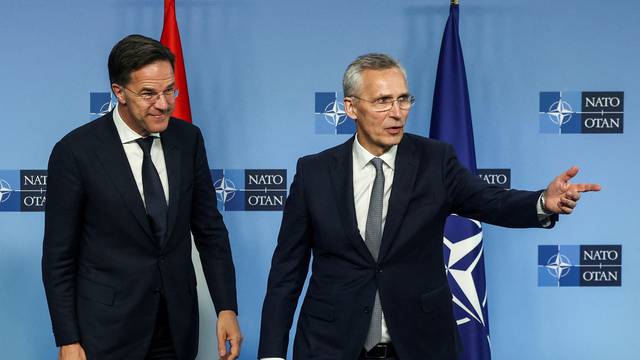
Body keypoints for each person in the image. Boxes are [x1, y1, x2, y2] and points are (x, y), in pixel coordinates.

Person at [258, 53, 600, 360]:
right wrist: (271, 354)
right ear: (351, 108)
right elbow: (287, 271)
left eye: (403, 99)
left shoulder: (435, 160)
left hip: (420, 344)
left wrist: (543, 202)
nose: (397, 113)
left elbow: (490, 201)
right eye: (382, 101)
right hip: (331, 346)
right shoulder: (313, 172)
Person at [42, 34, 242, 360]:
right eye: (149, 94)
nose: (163, 104)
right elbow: (58, 258)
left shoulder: (188, 140)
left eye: (169, 90)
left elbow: (210, 230)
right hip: (105, 333)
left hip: (175, 328)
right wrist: (68, 339)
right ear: (119, 92)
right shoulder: (75, 153)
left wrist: (226, 307)